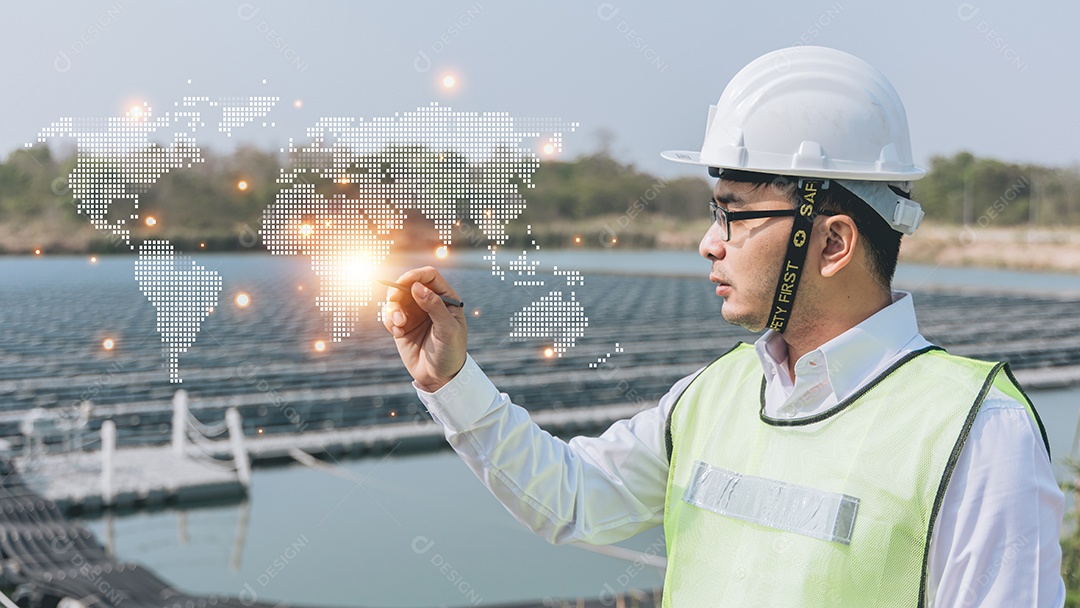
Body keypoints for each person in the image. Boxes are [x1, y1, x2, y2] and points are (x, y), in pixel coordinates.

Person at [382, 46, 1064, 606]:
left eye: (734, 214)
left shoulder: (975, 432)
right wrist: (449, 378)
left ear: (832, 243)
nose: (709, 243)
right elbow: (569, 499)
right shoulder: (712, 397)